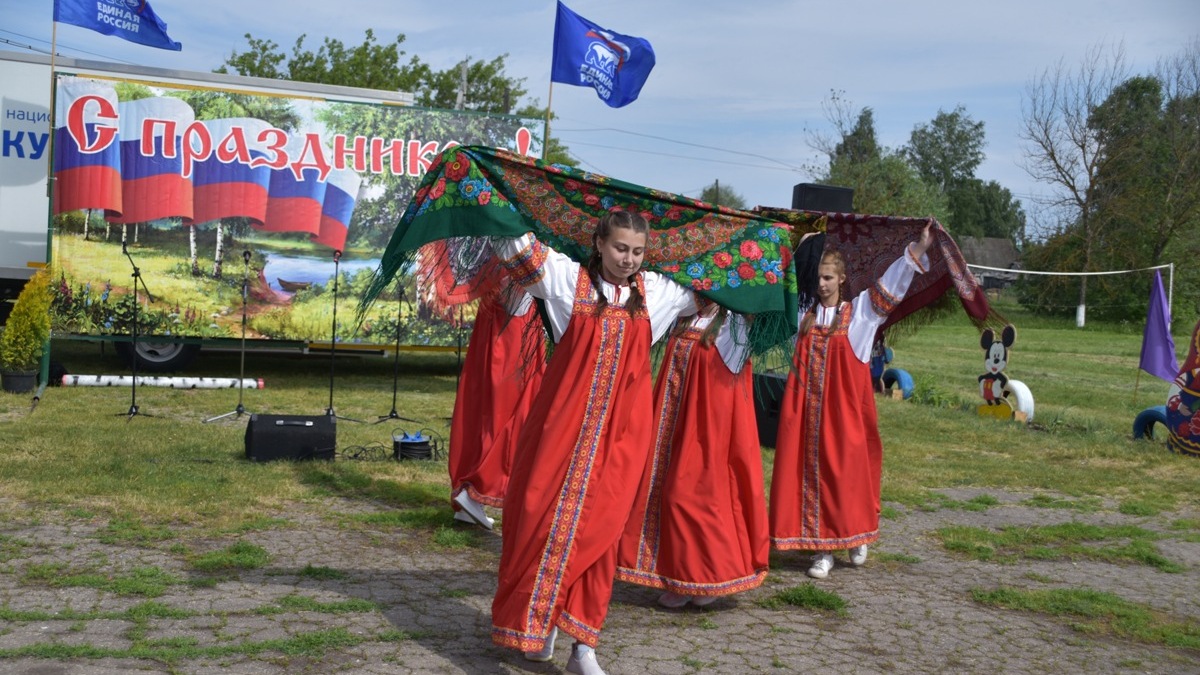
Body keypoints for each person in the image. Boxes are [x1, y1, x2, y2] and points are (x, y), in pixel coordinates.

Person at [490, 210, 701, 675]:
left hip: (622, 439)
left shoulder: (659, 294)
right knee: (537, 523)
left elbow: (712, 284)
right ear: (600, 243)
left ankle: (583, 645)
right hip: (560, 432)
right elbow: (514, 244)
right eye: (621, 248)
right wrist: (487, 190)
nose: (628, 259)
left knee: (601, 535)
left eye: (638, 251)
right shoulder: (568, 280)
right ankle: (538, 624)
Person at [770, 224, 933, 580]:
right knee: (808, 478)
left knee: (846, 476)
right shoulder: (803, 317)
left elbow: (889, 286)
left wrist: (917, 250)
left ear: (842, 279)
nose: (822, 284)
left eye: (828, 278)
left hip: (843, 416)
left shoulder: (859, 315)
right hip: (805, 417)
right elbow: (776, 290)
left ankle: (853, 533)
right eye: (817, 277)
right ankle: (822, 548)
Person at [616, 306, 769, 607]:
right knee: (663, 493)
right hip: (670, 424)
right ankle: (679, 575)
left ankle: (705, 577)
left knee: (690, 497)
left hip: (706, 433)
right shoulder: (683, 311)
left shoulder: (732, 326)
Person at [448, 281, 546, 529]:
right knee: (508, 411)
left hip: (498, 319)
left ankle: (470, 494)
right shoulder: (517, 246)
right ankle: (477, 488)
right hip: (513, 323)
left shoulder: (495, 248)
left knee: (484, 408)